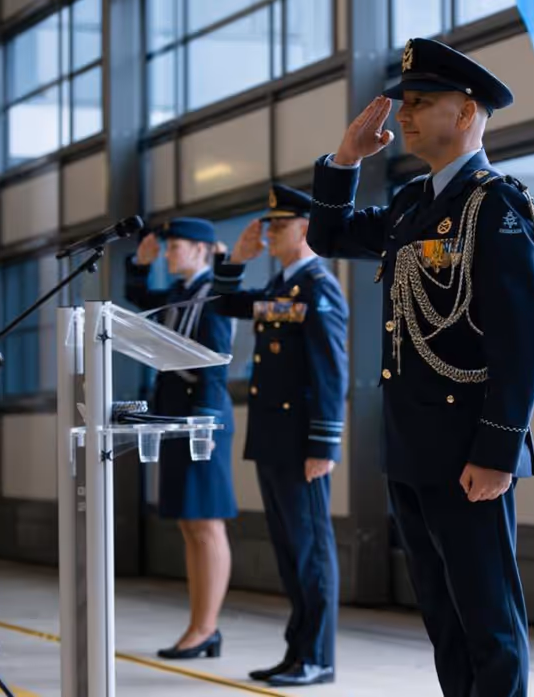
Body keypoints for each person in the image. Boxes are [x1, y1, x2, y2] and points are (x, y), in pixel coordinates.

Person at [306, 38, 534, 697]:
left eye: (420, 103)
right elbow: (327, 235)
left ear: (466, 111)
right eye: (404, 103)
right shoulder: (415, 203)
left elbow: (522, 340)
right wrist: (344, 160)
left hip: (469, 446)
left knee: (486, 617)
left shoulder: (494, 205)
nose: (404, 115)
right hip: (411, 445)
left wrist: (499, 450)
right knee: (444, 618)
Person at [211, 183, 348, 687]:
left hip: (300, 442)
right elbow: (222, 305)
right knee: (292, 555)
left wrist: (324, 445)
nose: (268, 233)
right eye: (267, 225)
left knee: (311, 551)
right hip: (271, 437)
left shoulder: (318, 287)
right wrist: (236, 260)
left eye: (278, 225)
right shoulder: (279, 287)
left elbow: (331, 372)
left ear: (306, 229)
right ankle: (298, 654)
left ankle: (318, 657)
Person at [124, 218, 237, 660]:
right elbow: (139, 299)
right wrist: (140, 264)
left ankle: (205, 628)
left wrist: (204, 422)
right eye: (168, 248)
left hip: (200, 413)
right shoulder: (180, 292)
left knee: (206, 522)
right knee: (190, 523)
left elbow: (216, 360)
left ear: (201, 250)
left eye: (176, 247)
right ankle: (199, 624)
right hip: (175, 412)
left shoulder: (216, 294)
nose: (169, 254)